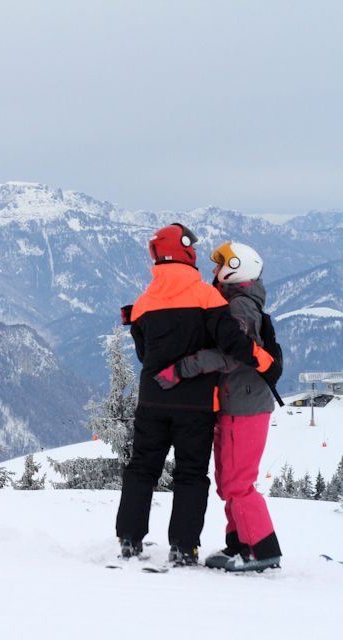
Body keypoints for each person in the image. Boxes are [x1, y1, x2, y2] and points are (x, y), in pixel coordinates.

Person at [115, 223, 264, 566]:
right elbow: (230, 343)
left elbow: (143, 355)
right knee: (191, 473)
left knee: (142, 468)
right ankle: (184, 546)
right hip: (195, 404)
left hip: (152, 399)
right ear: (185, 251)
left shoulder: (143, 302)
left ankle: (129, 538)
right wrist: (262, 359)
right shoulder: (207, 296)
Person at [156, 241, 281, 572]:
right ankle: (239, 544)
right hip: (237, 403)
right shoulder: (236, 302)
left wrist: (186, 366)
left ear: (236, 267)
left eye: (220, 265)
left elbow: (232, 354)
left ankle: (262, 550)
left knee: (238, 483)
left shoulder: (240, 308)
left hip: (244, 405)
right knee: (230, 481)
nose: (214, 271)